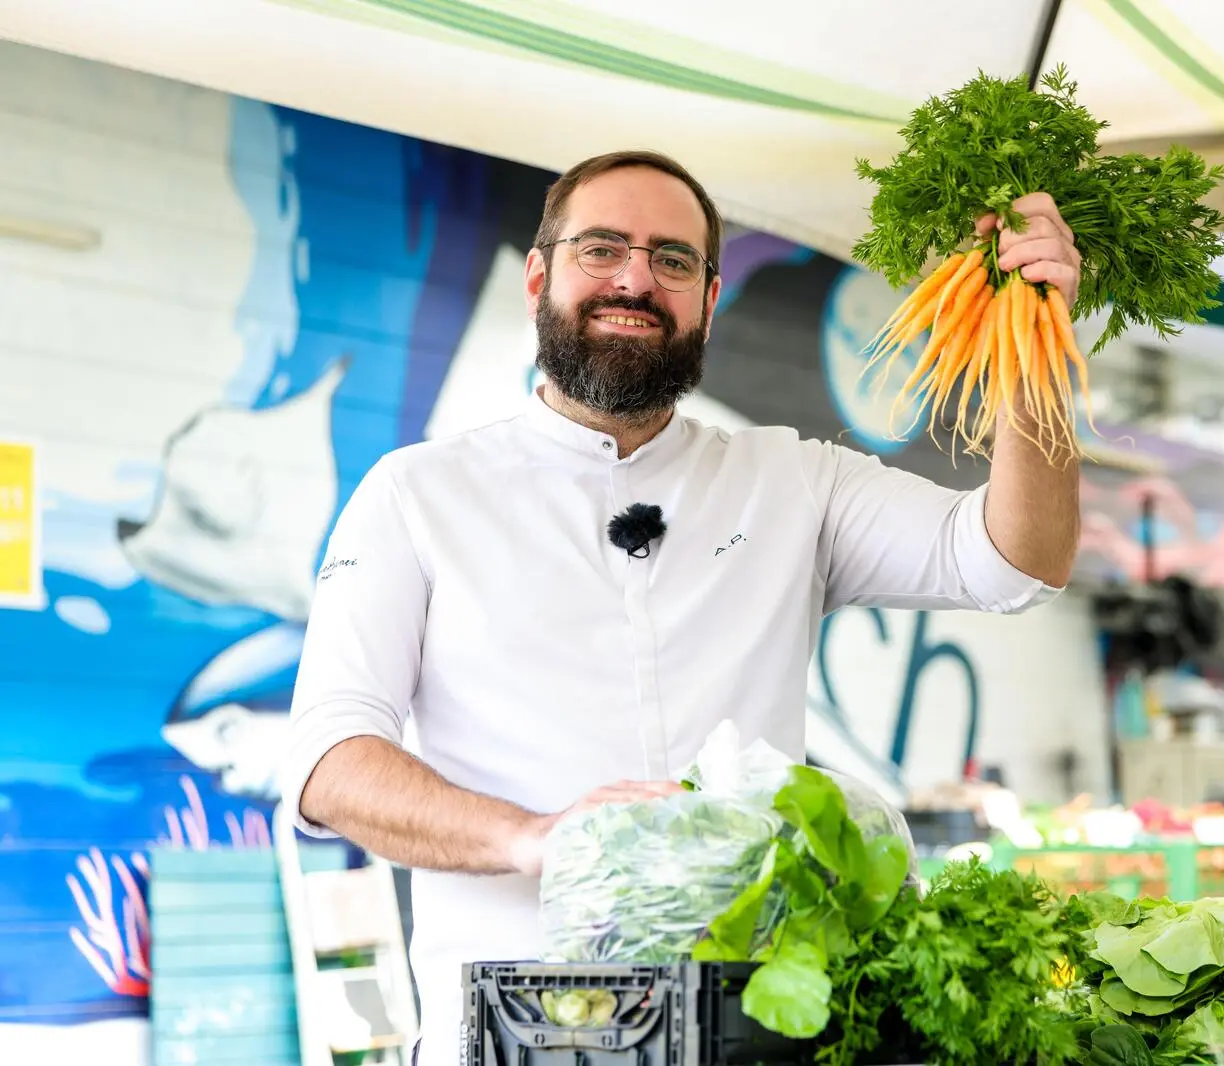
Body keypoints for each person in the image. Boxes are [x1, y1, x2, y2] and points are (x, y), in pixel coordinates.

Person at [277, 150, 1084, 1066]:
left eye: (671, 259)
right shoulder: (418, 492)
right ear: (537, 277)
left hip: (752, 1033)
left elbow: (1015, 561)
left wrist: (1035, 339)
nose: (634, 280)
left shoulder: (791, 480)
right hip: (515, 1029)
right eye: (601, 249)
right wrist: (533, 839)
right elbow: (328, 761)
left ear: (707, 298)